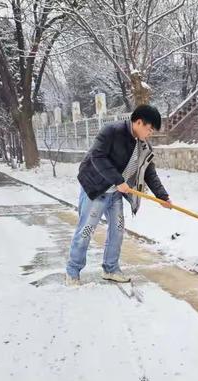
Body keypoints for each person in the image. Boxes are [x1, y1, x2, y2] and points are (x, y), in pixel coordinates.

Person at [65, 104, 171, 286]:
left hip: (115, 193)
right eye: (149, 129)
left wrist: (163, 196)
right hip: (96, 189)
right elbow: (97, 157)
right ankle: (73, 271)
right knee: (86, 231)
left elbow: (149, 172)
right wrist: (118, 180)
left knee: (118, 230)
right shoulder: (111, 131)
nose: (150, 133)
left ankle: (111, 269)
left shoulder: (143, 146)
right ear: (138, 122)